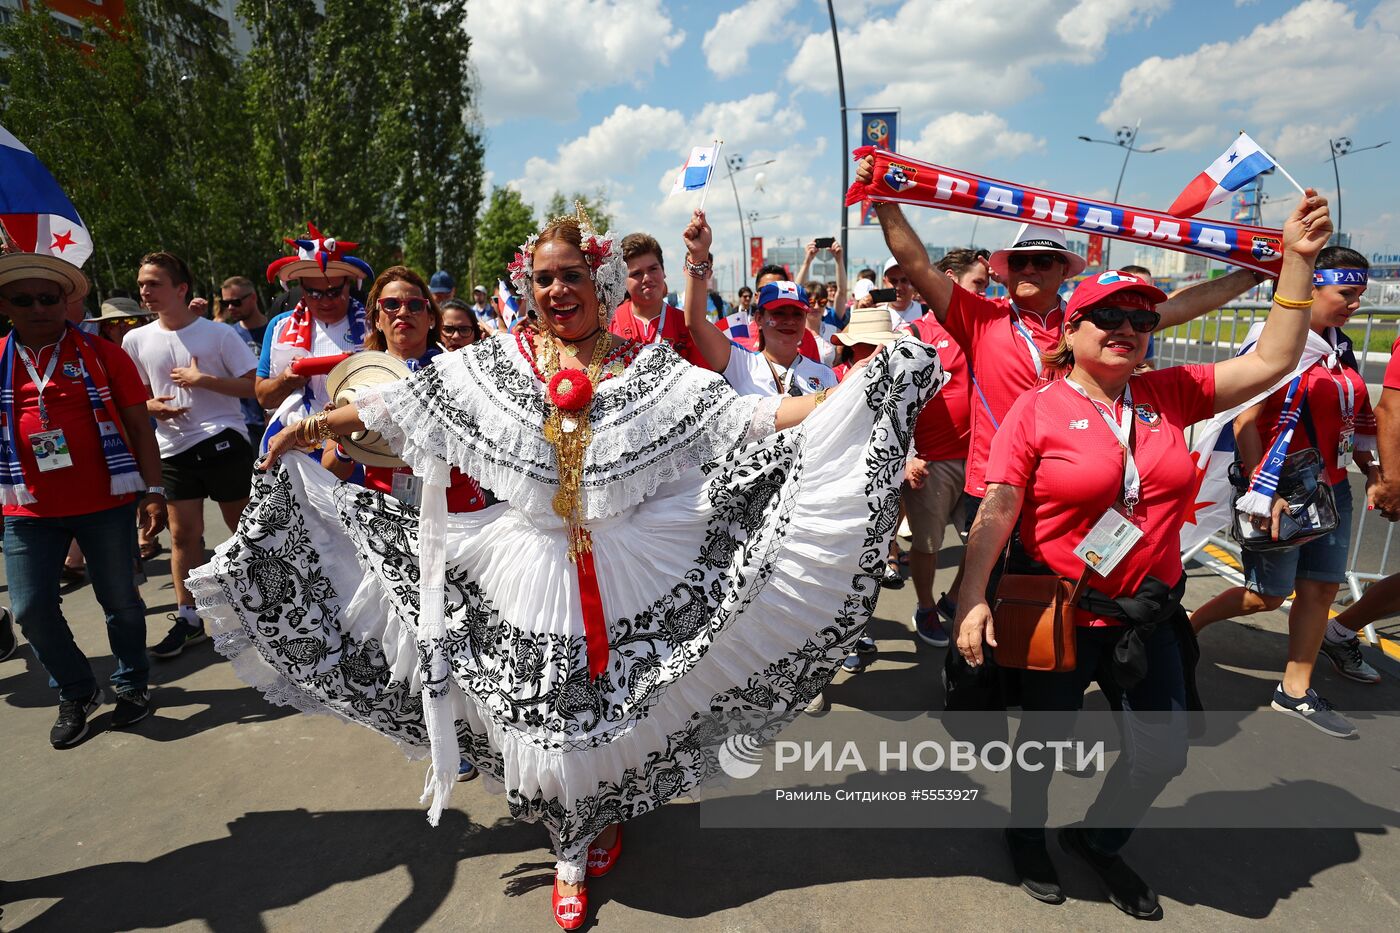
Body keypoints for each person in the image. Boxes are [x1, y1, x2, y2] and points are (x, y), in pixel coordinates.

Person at [192, 206, 944, 929]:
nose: (557, 291)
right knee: (549, 712)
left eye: (571, 275)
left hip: (630, 559)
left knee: (608, 707)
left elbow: (747, 418)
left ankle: (594, 815)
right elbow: (403, 403)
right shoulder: (496, 365)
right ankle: (571, 846)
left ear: (600, 280)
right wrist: (314, 424)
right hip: (525, 563)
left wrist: (853, 398)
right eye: (544, 278)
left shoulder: (648, 370)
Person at [954, 191, 1331, 919]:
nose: (1130, 329)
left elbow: (1274, 357)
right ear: (1073, 326)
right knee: (1044, 745)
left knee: (1162, 750)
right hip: (1061, 613)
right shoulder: (1037, 409)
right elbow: (999, 507)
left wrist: (1298, 262)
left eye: (1143, 319)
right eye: (1112, 317)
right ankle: (1025, 832)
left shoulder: (1170, 394)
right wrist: (972, 594)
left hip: (1149, 613)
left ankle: (1098, 838)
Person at [858, 153, 1269, 524]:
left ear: (1064, 271)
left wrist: (1255, 272)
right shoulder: (981, 318)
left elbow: (1180, 307)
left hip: (1076, 483)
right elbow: (918, 266)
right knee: (996, 595)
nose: (1029, 269)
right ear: (1006, 271)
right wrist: (882, 199)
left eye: (1042, 261)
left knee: (1071, 594)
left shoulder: (1093, 319)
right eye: (1019, 261)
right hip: (997, 485)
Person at [1189, 246, 1379, 735]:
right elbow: (1246, 421)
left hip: (1332, 489)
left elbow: (1351, 418)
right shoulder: (1271, 345)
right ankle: (1186, 628)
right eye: (1347, 293)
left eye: (1361, 294)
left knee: (1320, 588)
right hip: (1280, 490)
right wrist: (1261, 488)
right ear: (1309, 287)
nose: (1356, 303)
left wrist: (1371, 468)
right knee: (1267, 596)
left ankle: (1295, 689)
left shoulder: (1340, 347)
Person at [0, 251, 167, 746]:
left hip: (106, 505)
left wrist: (153, 491)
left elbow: (140, 427)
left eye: (49, 297)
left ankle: (132, 685)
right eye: (23, 299)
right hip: (26, 510)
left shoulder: (101, 354)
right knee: (31, 609)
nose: (38, 307)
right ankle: (76, 689)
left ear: (65, 301)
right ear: (4, 304)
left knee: (120, 602)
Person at [123, 251, 259, 659]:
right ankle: (189, 617)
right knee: (183, 535)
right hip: (172, 448)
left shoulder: (218, 335)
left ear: (181, 289)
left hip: (223, 440)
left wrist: (205, 381)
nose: (145, 291)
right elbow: (132, 397)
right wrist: (151, 407)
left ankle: (263, 605)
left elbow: (255, 386)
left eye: (154, 283)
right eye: (142, 283)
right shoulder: (136, 339)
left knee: (243, 529)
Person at [904, 250, 985, 646]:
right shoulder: (915, 335)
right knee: (927, 546)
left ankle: (952, 600)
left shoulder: (984, 330)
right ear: (950, 279)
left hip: (979, 461)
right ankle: (924, 606)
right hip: (931, 463)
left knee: (986, 540)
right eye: (978, 285)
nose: (984, 295)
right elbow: (891, 404)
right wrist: (907, 457)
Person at [256, 224, 373, 442]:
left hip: (357, 443)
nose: (326, 301)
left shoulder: (374, 324)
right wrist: (286, 381)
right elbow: (263, 397)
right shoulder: (279, 326)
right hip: (297, 445)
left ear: (348, 285)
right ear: (301, 287)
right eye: (314, 293)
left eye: (334, 292)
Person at [608, 231, 710, 368]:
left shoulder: (685, 325)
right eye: (636, 273)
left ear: (663, 271)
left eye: (653, 269)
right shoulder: (610, 323)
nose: (647, 278)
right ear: (623, 281)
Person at [220, 275, 270, 446]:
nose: (230, 308)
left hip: (275, 418)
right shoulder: (227, 335)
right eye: (226, 303)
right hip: (243, 423)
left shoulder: (276, 329)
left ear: (253, 297)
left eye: (236, 302)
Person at [795, 237, 848, 329]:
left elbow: (842, 292)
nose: (816, 307)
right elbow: (795, 293)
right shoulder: (796, 327)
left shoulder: (832, 318)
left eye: (822, 302)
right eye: (811, 302)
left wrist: (839, 260)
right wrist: (807, 261)